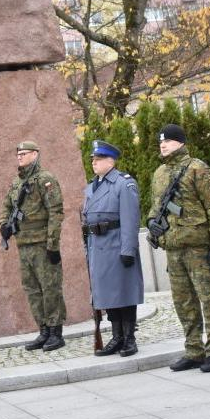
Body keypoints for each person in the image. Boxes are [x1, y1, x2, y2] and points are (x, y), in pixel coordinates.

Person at [147, 124, 210, 373]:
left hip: (197, 247)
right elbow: (155, 207)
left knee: (208, 298)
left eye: (168, 141)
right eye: (161, 142)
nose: (163, 145)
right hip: (173, 247)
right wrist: (152, 224)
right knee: (183, 302)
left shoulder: (197, 168)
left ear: (180, 143)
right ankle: (194, 350)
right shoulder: (159, 173)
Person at [0, 141, 67, 351]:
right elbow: (6, 206)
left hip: (42, 244)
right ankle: (43, 330)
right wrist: (3, 225)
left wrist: (53, 244)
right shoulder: (16, 183)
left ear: (35, 154)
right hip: (24, 244)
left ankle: (56, 332)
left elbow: (56, 212)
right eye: (17, 153)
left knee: (50, 288)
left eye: (24, 153)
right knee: (32, 289)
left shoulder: (45, 179)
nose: (19, 156)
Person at [82, 140, 143, 357]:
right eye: (93, 160)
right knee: (108, 296)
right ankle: (116, 337)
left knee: (124, 293)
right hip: (98, 247)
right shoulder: (91, 186)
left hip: (117, 245)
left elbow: (130, 218)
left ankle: (129, 339)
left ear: (111, 161)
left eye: (98, 160)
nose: (94, 163)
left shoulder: (123, 184)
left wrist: (128, 249)